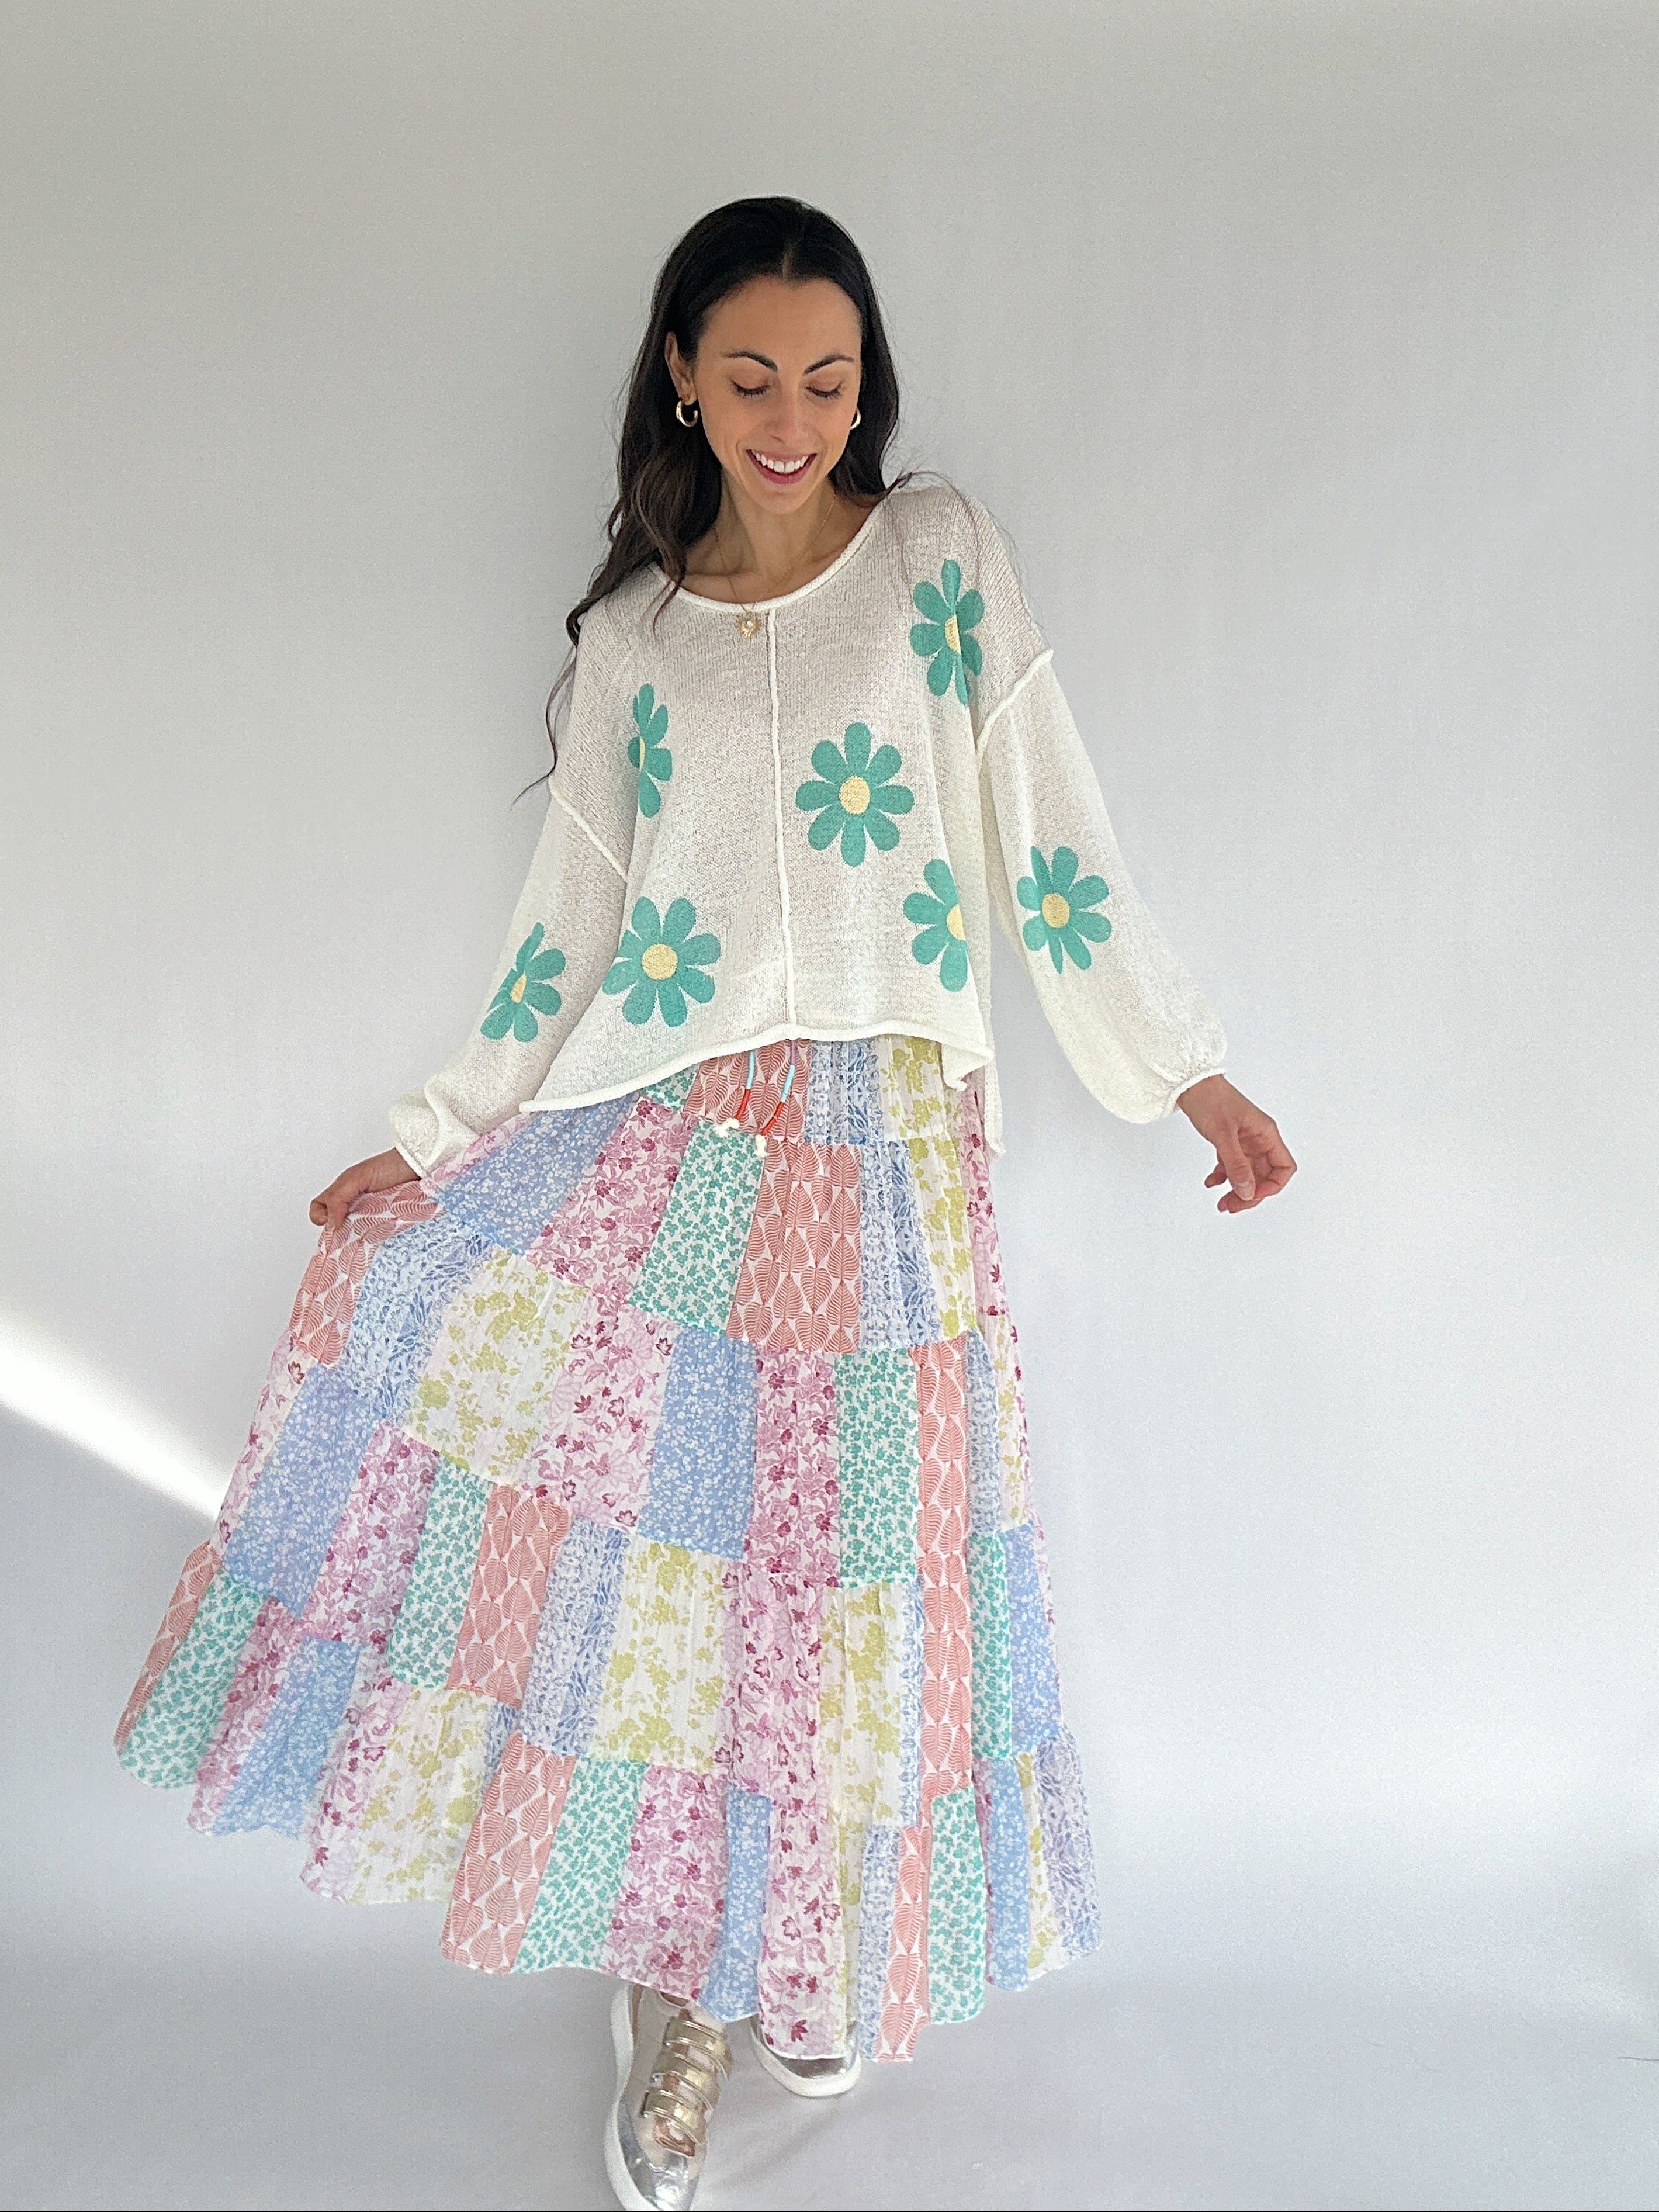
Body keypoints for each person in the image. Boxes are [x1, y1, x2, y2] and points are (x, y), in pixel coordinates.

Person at [113, 195, 1295, 2212]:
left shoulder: (940, 561)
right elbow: (561, 935)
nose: (793, 415)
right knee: (679, 1587)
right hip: (679, 1147)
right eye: (750, 373)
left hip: (899, 1150)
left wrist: (1177, 1060)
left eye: (829, 377)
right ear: (679, 370)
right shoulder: (633, 643)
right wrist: (443, 1128)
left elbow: (1050, 839)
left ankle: (798, 1943)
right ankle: (684, 1988)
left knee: (856, 1587)